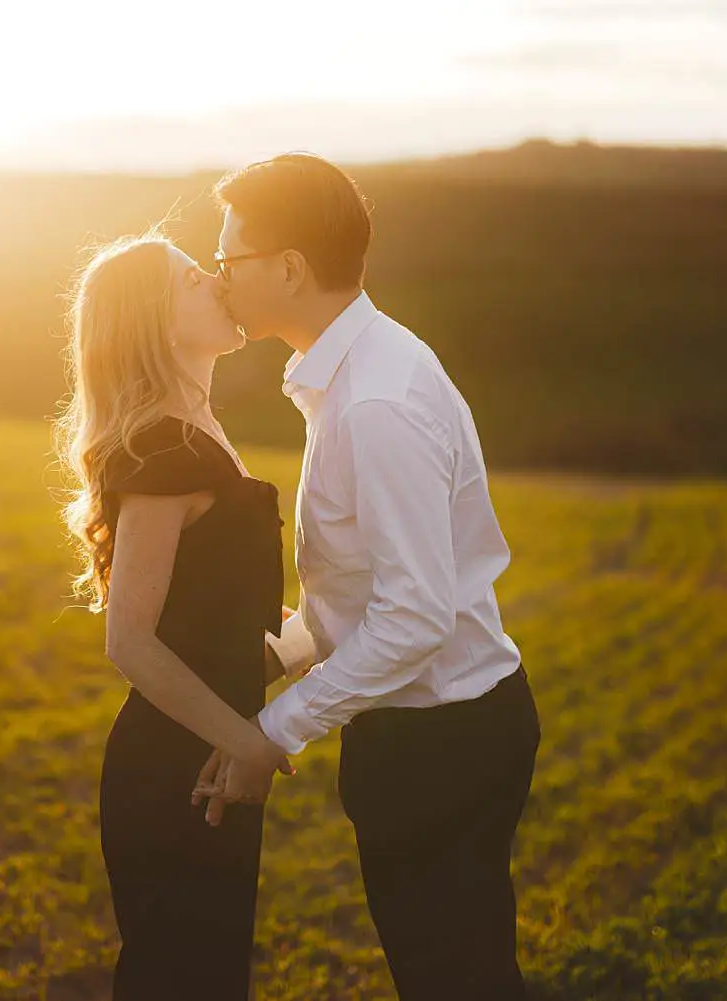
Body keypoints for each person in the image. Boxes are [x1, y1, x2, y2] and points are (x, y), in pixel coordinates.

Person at [195, 153, 543, 1001]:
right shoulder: (355, 374)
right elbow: (367, 590)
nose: (217, 278)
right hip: (433, 731)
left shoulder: (376, 401)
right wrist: (279, 652)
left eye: (228, 259)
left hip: (441, 743)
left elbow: (415, 616)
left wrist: (273, 730)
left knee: (457, 982)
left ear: (288, 268)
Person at [53, 232, 293, 1000]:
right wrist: (245, 742)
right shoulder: (162, 451)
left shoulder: (201, 433)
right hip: (173, 770)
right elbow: (128, 639)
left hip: (208, 760)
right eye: (195, 279)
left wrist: (342, 630)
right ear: (155, 322)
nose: (220, 282)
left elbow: (226, 620)